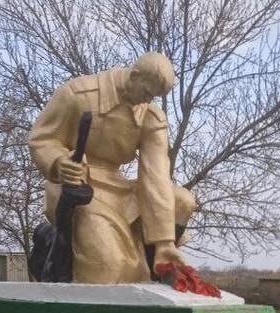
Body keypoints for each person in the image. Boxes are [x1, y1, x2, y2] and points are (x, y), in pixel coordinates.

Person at [28, 52, 196, 283]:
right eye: (147, 92)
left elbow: (155, 175)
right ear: (134, 76)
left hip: (118, 187)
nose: (148, 101)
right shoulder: (77, 94)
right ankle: (62, 248)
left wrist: (164, 242)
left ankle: (154, 263)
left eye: (153, 97)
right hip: (78, 186)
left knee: (182, 201)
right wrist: (59, 161)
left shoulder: (150, 116)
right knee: (109, 265)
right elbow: (42, 138)